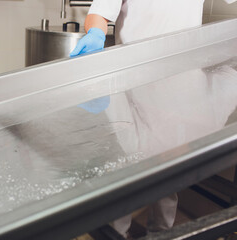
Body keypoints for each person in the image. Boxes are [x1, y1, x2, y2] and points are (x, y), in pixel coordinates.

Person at [70, 0, 237, 238]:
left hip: (184, 81)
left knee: (170, 170)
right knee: (128, 168)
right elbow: (100, 11)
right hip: (136, 81)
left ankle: (161, 233)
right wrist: (96, 32)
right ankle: (117, 234)